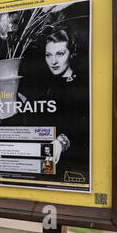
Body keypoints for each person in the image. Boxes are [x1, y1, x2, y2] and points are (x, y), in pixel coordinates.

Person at [42, 29, 89, 181]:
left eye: (60, 54)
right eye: (48, 55)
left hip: (75, 168)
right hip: (48, 166)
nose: (53, 61)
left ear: (71, 54)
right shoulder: (45, 87)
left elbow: (85, 125)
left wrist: (62, 141)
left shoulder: (83, 85)